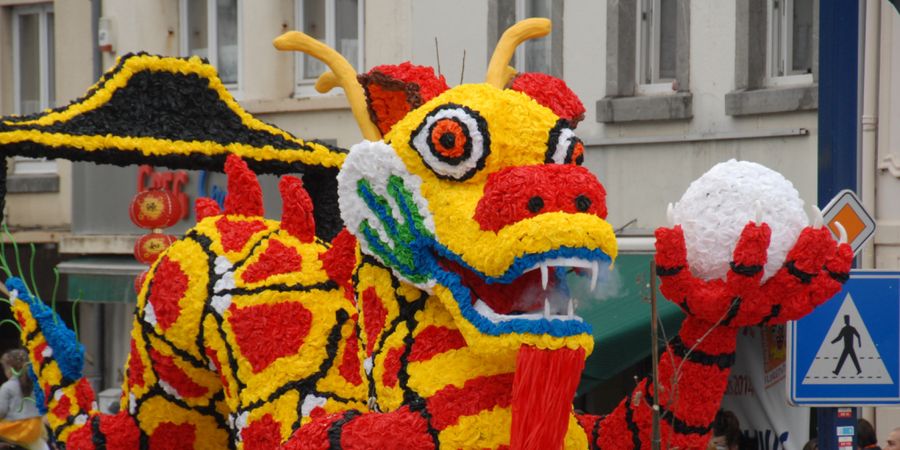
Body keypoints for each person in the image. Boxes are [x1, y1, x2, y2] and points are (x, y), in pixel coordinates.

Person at [0, 350, 47, 450]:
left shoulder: (7, 387)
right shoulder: (36, 384)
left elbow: (1, 411)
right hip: (35, 428)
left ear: (10, 369)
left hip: (16, 430)